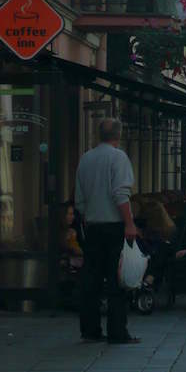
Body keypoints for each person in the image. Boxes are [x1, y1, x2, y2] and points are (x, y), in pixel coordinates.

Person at [75, 118, 138, 344]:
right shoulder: (118, 158)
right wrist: (129, 223)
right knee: (116, 279)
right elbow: (121, 193)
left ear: (98, 134)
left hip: (92, 226)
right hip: (113, 226)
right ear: (118, 135)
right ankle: (117, 331)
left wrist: (87, 218)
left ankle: (90, 329)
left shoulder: (86, 158)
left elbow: (80, 200)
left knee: (91, 279)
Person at [59, 201, 84, 270]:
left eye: (73, 214)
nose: (72, 217)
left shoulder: (71, 231)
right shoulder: (69, 233)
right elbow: (77, 250)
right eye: (69, 214)